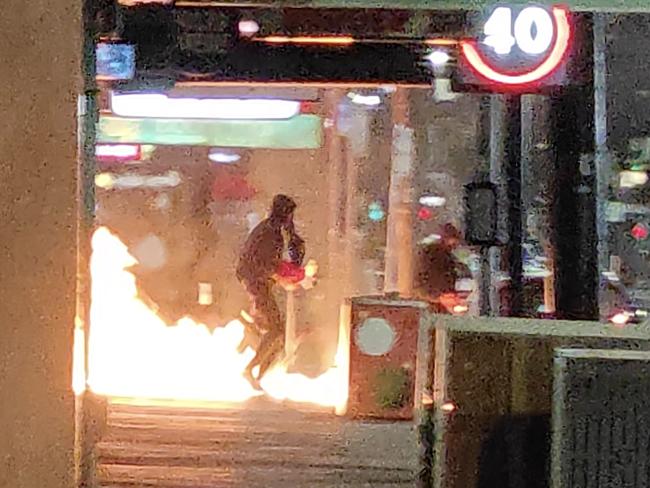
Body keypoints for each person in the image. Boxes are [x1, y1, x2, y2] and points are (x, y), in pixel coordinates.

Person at [236, 194, 305, 390]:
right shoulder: (270, 232)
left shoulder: (270, 229)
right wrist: (280, 278)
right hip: (255, 282)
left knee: (276, 331)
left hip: (258, 281)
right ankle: (250, 370)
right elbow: (263, 263)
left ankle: (258, 374)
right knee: (275, 329)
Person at [414, 223, 470, 302]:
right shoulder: (437, 252)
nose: (455, 245)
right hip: (436, 292)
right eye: (454, 241)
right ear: (446, 238)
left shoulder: (442, 253)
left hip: (436, 293)